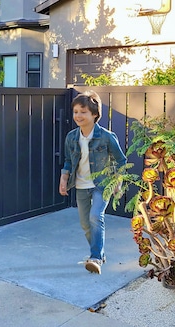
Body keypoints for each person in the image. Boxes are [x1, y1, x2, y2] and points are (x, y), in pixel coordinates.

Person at [59, 90, 127, 274]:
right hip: (80, 185)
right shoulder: (71, 137)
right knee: (85, 224)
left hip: (102, 184)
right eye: (75, 112)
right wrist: (63, 179)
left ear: (94, 114)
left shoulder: (107, 136)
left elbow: (121, 160)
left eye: (83, 112)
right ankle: (99, 254)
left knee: (96, 217)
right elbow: (67, 160)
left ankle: (95, 257)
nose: (78, 116)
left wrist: (118, 181)